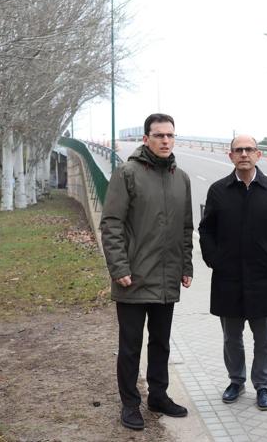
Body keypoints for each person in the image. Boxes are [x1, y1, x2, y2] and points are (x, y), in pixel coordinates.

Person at [100, 113, 193, 430]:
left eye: (170, 135)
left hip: (167, 278)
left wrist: (187, 265)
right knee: (130, 346)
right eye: (159, 135)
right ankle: (129, 404)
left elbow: (185, 227)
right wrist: (119, 268)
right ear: (146, 138)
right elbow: (111, 223)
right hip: (133, 278)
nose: (165, 141)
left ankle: (158, 395)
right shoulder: (127, 173)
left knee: (162, 343)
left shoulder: (181, 178)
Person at [199, 134, 267, 410]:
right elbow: (206, 229)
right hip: (228, 278)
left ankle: (263, 386)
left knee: (264, 339)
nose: (244, 154)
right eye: (239, 150)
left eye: (249, 149)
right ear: (231, 156)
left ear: (258, 155)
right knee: (231, 337)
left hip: (262, 278)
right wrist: (215, 259)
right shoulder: (218, 190)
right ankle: (236, 381)